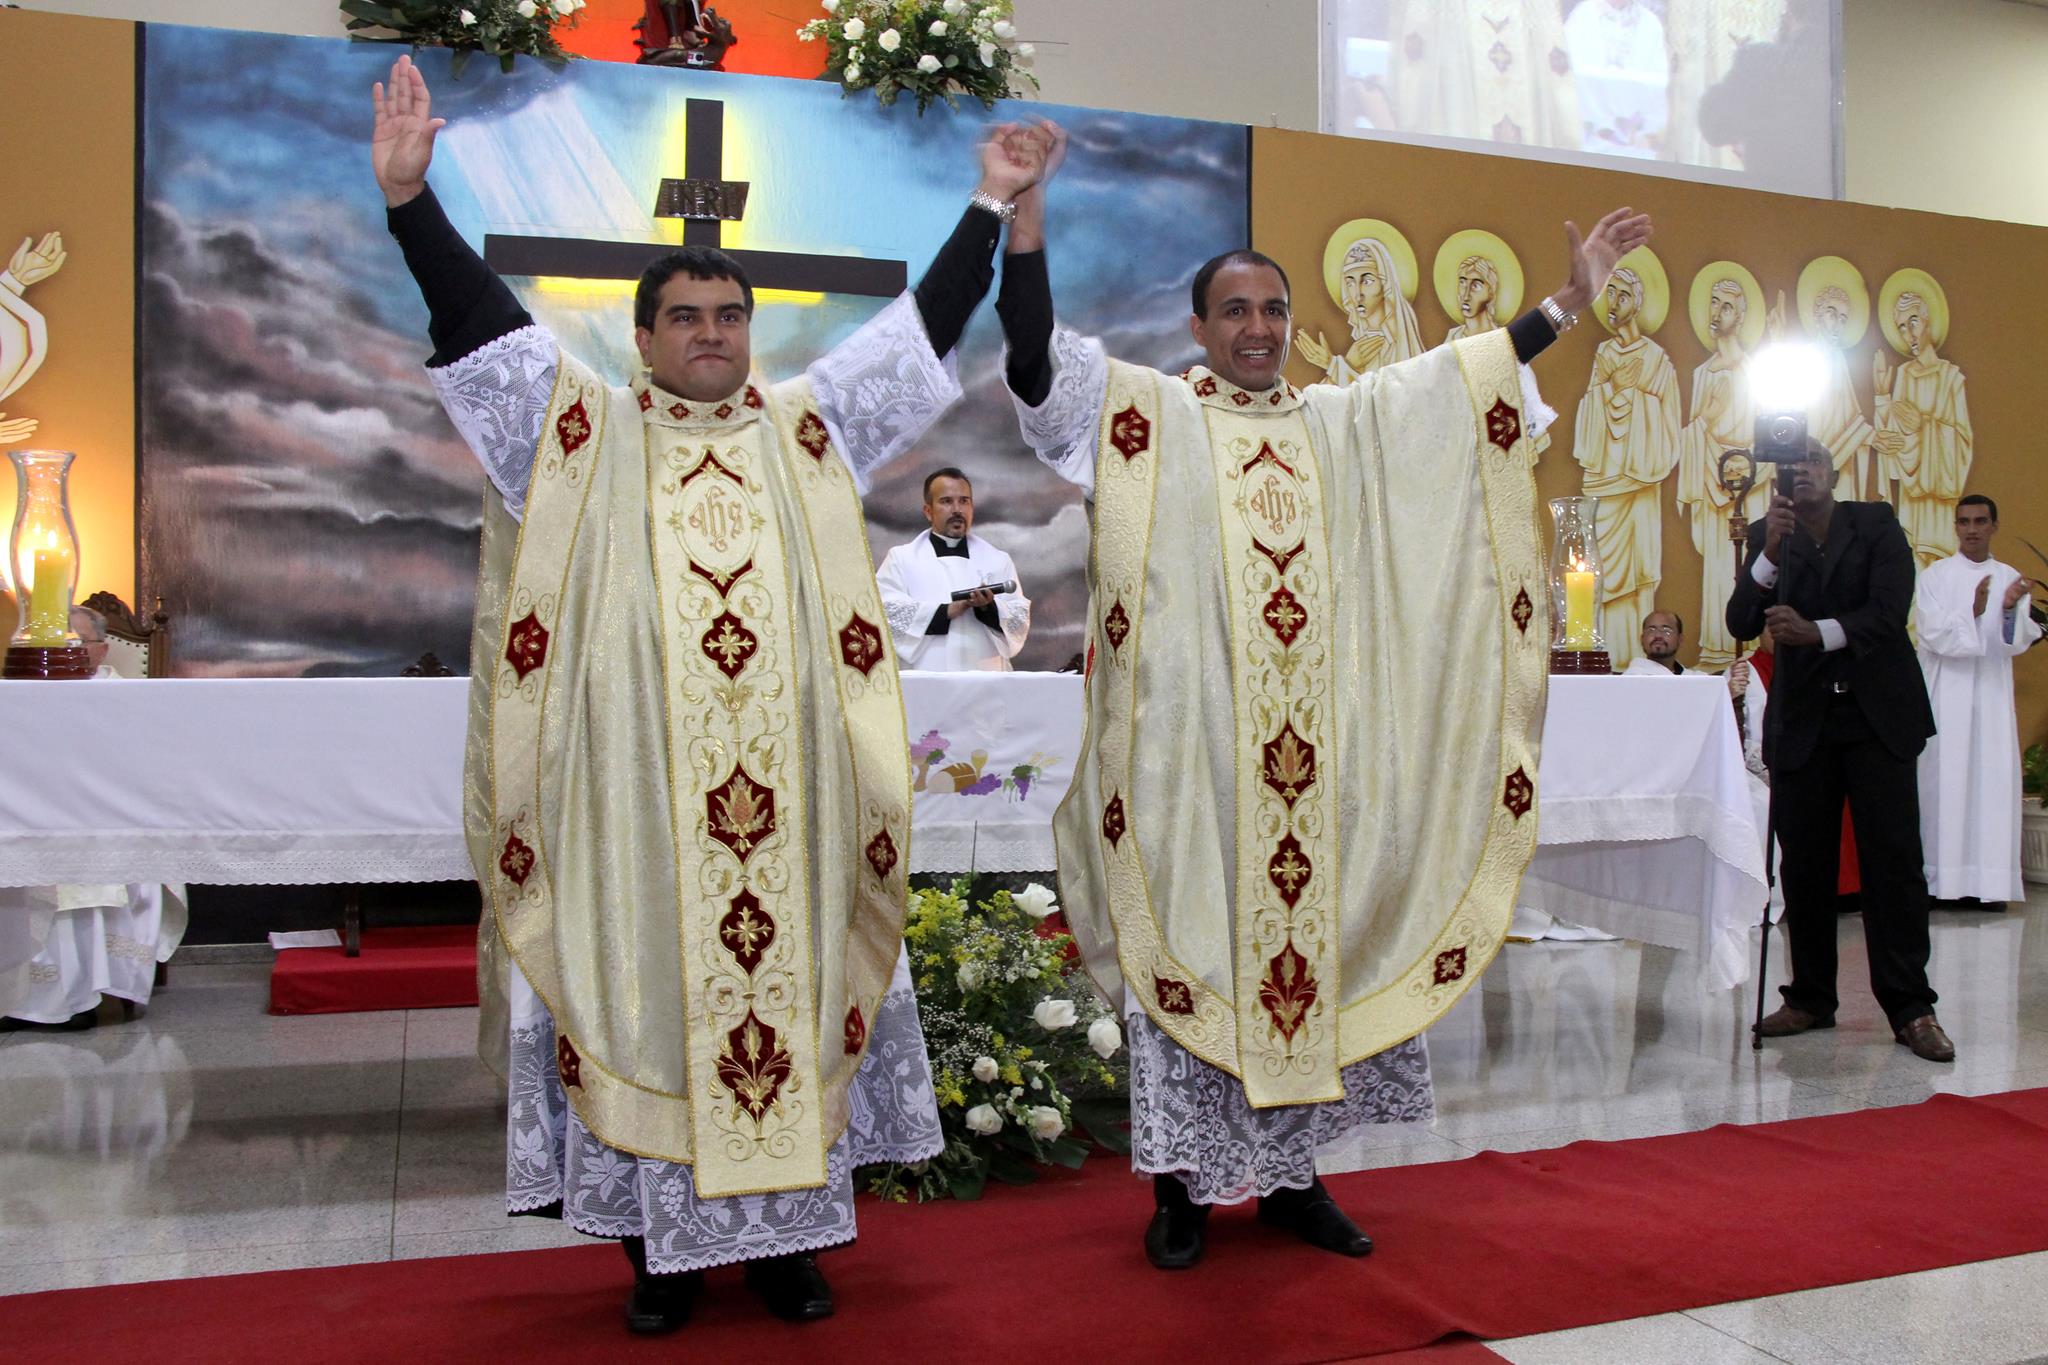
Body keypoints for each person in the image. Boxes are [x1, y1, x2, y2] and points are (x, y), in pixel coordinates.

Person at [370, 55, 1045, 1332]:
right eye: (683, 317)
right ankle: (654, 1252)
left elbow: (920, 335)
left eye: (728, 316)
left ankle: (789, 1245)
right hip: (639, 814)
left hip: (785, 816)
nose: (710, 334)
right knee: (656, 1013)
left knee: (781, 1012)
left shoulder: (805, 428)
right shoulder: (578, 435)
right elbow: (477, 330)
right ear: (641, 336)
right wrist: (411, 208)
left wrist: (986, 202)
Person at [996, 119, 1651, 1268]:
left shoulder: (1341, 426)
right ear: (1198, 327)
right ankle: (1183, 1198)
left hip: (1317, 758)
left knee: (1315, 958)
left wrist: (1565, 303)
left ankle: (1295, 1182)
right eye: (1235, 311)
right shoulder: (1148, 419)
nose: (1257, 330)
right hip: (1188, 760)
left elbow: (1457, 392)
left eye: (1273, 311)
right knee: (1196, 947)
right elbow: (1035, 356)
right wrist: (1026, 224)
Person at [1726, 444, 1953, 1062]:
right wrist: (1768, 554)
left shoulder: (1875, 523)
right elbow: (1741, 619)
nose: (1804, 472)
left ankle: (1911, 1007)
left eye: (1814, 461)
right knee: (1805, 864)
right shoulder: (1768, 534)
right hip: (1806, 720)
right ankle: (1809, 998)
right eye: (1793, 465)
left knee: (1894, 862)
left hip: (1875, 715)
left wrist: (1817, 633)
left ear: (1831, 472)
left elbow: (1888, 610)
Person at [1914, 494, 2040, 907]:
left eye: (1980, 521)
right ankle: (1940, 885)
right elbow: (1932, 634)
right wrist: (1974, 610)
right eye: (1964, 521)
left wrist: (2005, 609)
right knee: (1943, 788)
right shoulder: (1935, 576)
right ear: (1956, 526)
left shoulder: (2008, 577)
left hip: (1989, 695)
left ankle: (1989, 887)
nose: (1971, 529)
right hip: (1946, 695)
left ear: (1993, 526)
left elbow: (2015, 641)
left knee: (1990, 785)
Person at [1575, 265, 1679, 667]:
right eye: (1609, 295)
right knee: (1594, 572)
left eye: (1621, 296)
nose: (1613, 305)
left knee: (1636, 575)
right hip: (1604, 481)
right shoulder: (1604, 356)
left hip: (1639, 483)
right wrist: (1608, 391)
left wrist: (1637, 398)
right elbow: (1587, 421)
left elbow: (1670, 426)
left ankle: (1636, 661)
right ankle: (1602, 657)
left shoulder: (1656, 360)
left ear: (1637, 303)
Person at [875, 466, 1030, 671]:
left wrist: (989, 608)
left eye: (964, 501)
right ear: (928, 511)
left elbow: (1018, 618)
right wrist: (945, 611)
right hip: (926, 679)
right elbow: (885, 612)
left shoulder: (998, 560)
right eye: (946, 501)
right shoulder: (901, 559)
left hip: (986, 680)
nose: (957, 509)